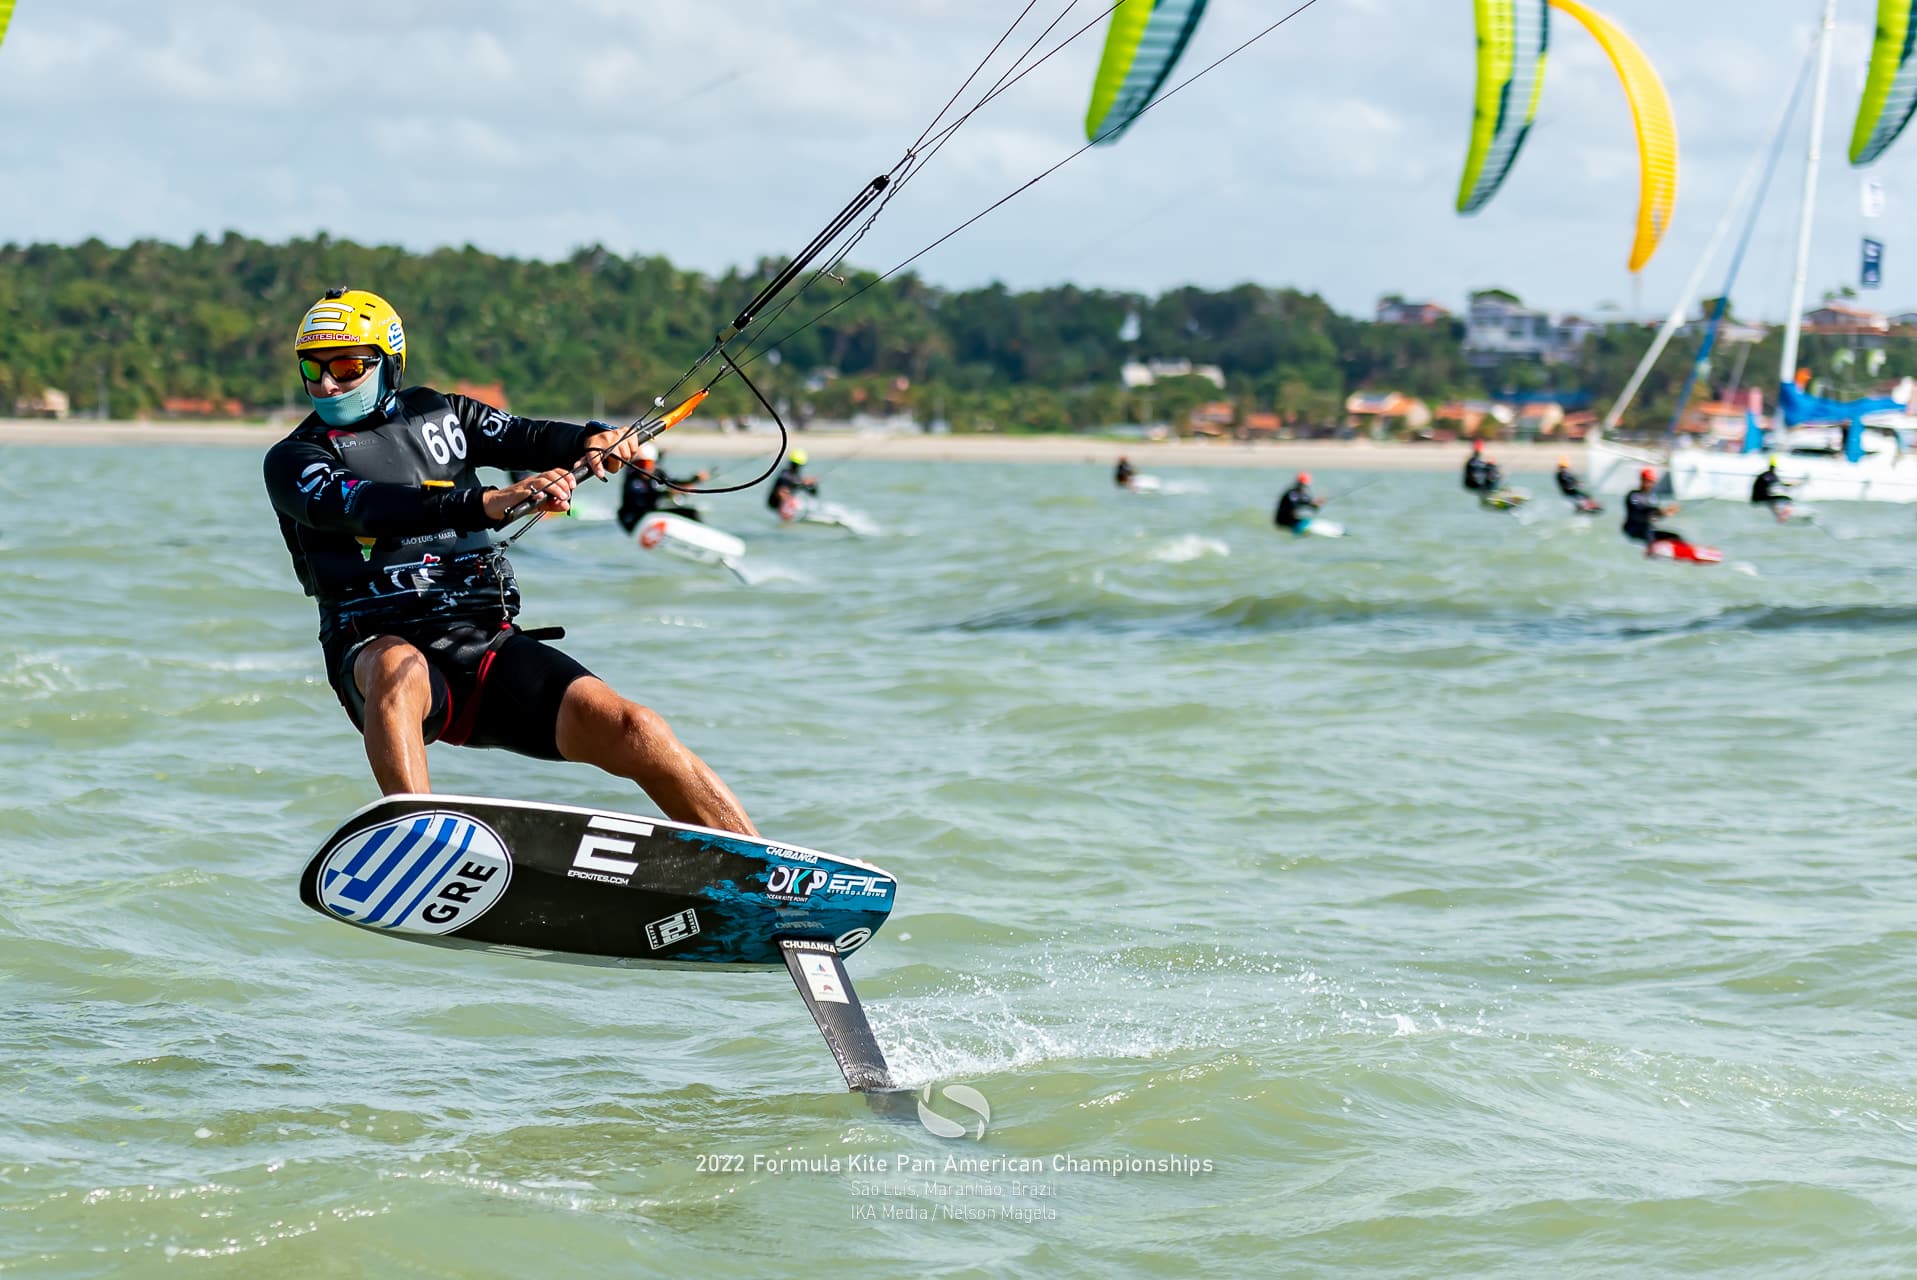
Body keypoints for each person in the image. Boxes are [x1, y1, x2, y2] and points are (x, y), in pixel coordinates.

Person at [263, 288, 756, 834]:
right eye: (313, 368)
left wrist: (592, 438)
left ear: (388, 362)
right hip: (373, 643)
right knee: (395, 668)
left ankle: (768, 877)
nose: (327, 384)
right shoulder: (294, 459)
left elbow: (528, 435)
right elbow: (366, 507)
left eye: (347, 366)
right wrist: (486, 502)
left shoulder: (441, 412)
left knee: (637, 728)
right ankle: (417, 841)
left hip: (482, 645)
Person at [616, 442, 710, 532]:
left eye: (648, 464)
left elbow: (673, 482)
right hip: (634, 518)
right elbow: (642, 498)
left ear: (653, 464)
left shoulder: (658, 473)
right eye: (640, 465)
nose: (644, 468)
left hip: (651, 514)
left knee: (691, 513)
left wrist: (695, 479)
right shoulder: (633, 479)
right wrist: (668, 493)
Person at [1622, 467, 1686, 551]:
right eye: (1647, 481)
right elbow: (1640, 510)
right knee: (1647, 528)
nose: (1649, 484)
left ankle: (1685, 551)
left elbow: (1654, 516)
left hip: (1648, 530)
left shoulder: (1652, 498)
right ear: (1642, 480)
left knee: (1676, 536)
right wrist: (1661, 511)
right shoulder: (1633, 496)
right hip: (1633, 530)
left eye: (1651, 482)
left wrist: (1665, 513)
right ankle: (1651, 550)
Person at [767, 448, 819, 519]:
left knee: (798, 502)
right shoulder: (785, 475)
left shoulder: (795, 477)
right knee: (793, 501)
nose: (796, 467)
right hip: (777, 503)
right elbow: (781, 491)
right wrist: (790, 500)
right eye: (795, 465)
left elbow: (813, 492)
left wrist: (810, 485)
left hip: (783, 506)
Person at [1750, 455, 1796, 522]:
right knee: (1786, 498)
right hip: (1759, 498)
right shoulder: (1769, 475)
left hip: (1759, 498)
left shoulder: (1767, 474)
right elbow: (1780, 483)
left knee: (1774, 501)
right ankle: (1782, 515)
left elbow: (1776, 484)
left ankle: (1780, 516)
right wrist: (1793, 484)